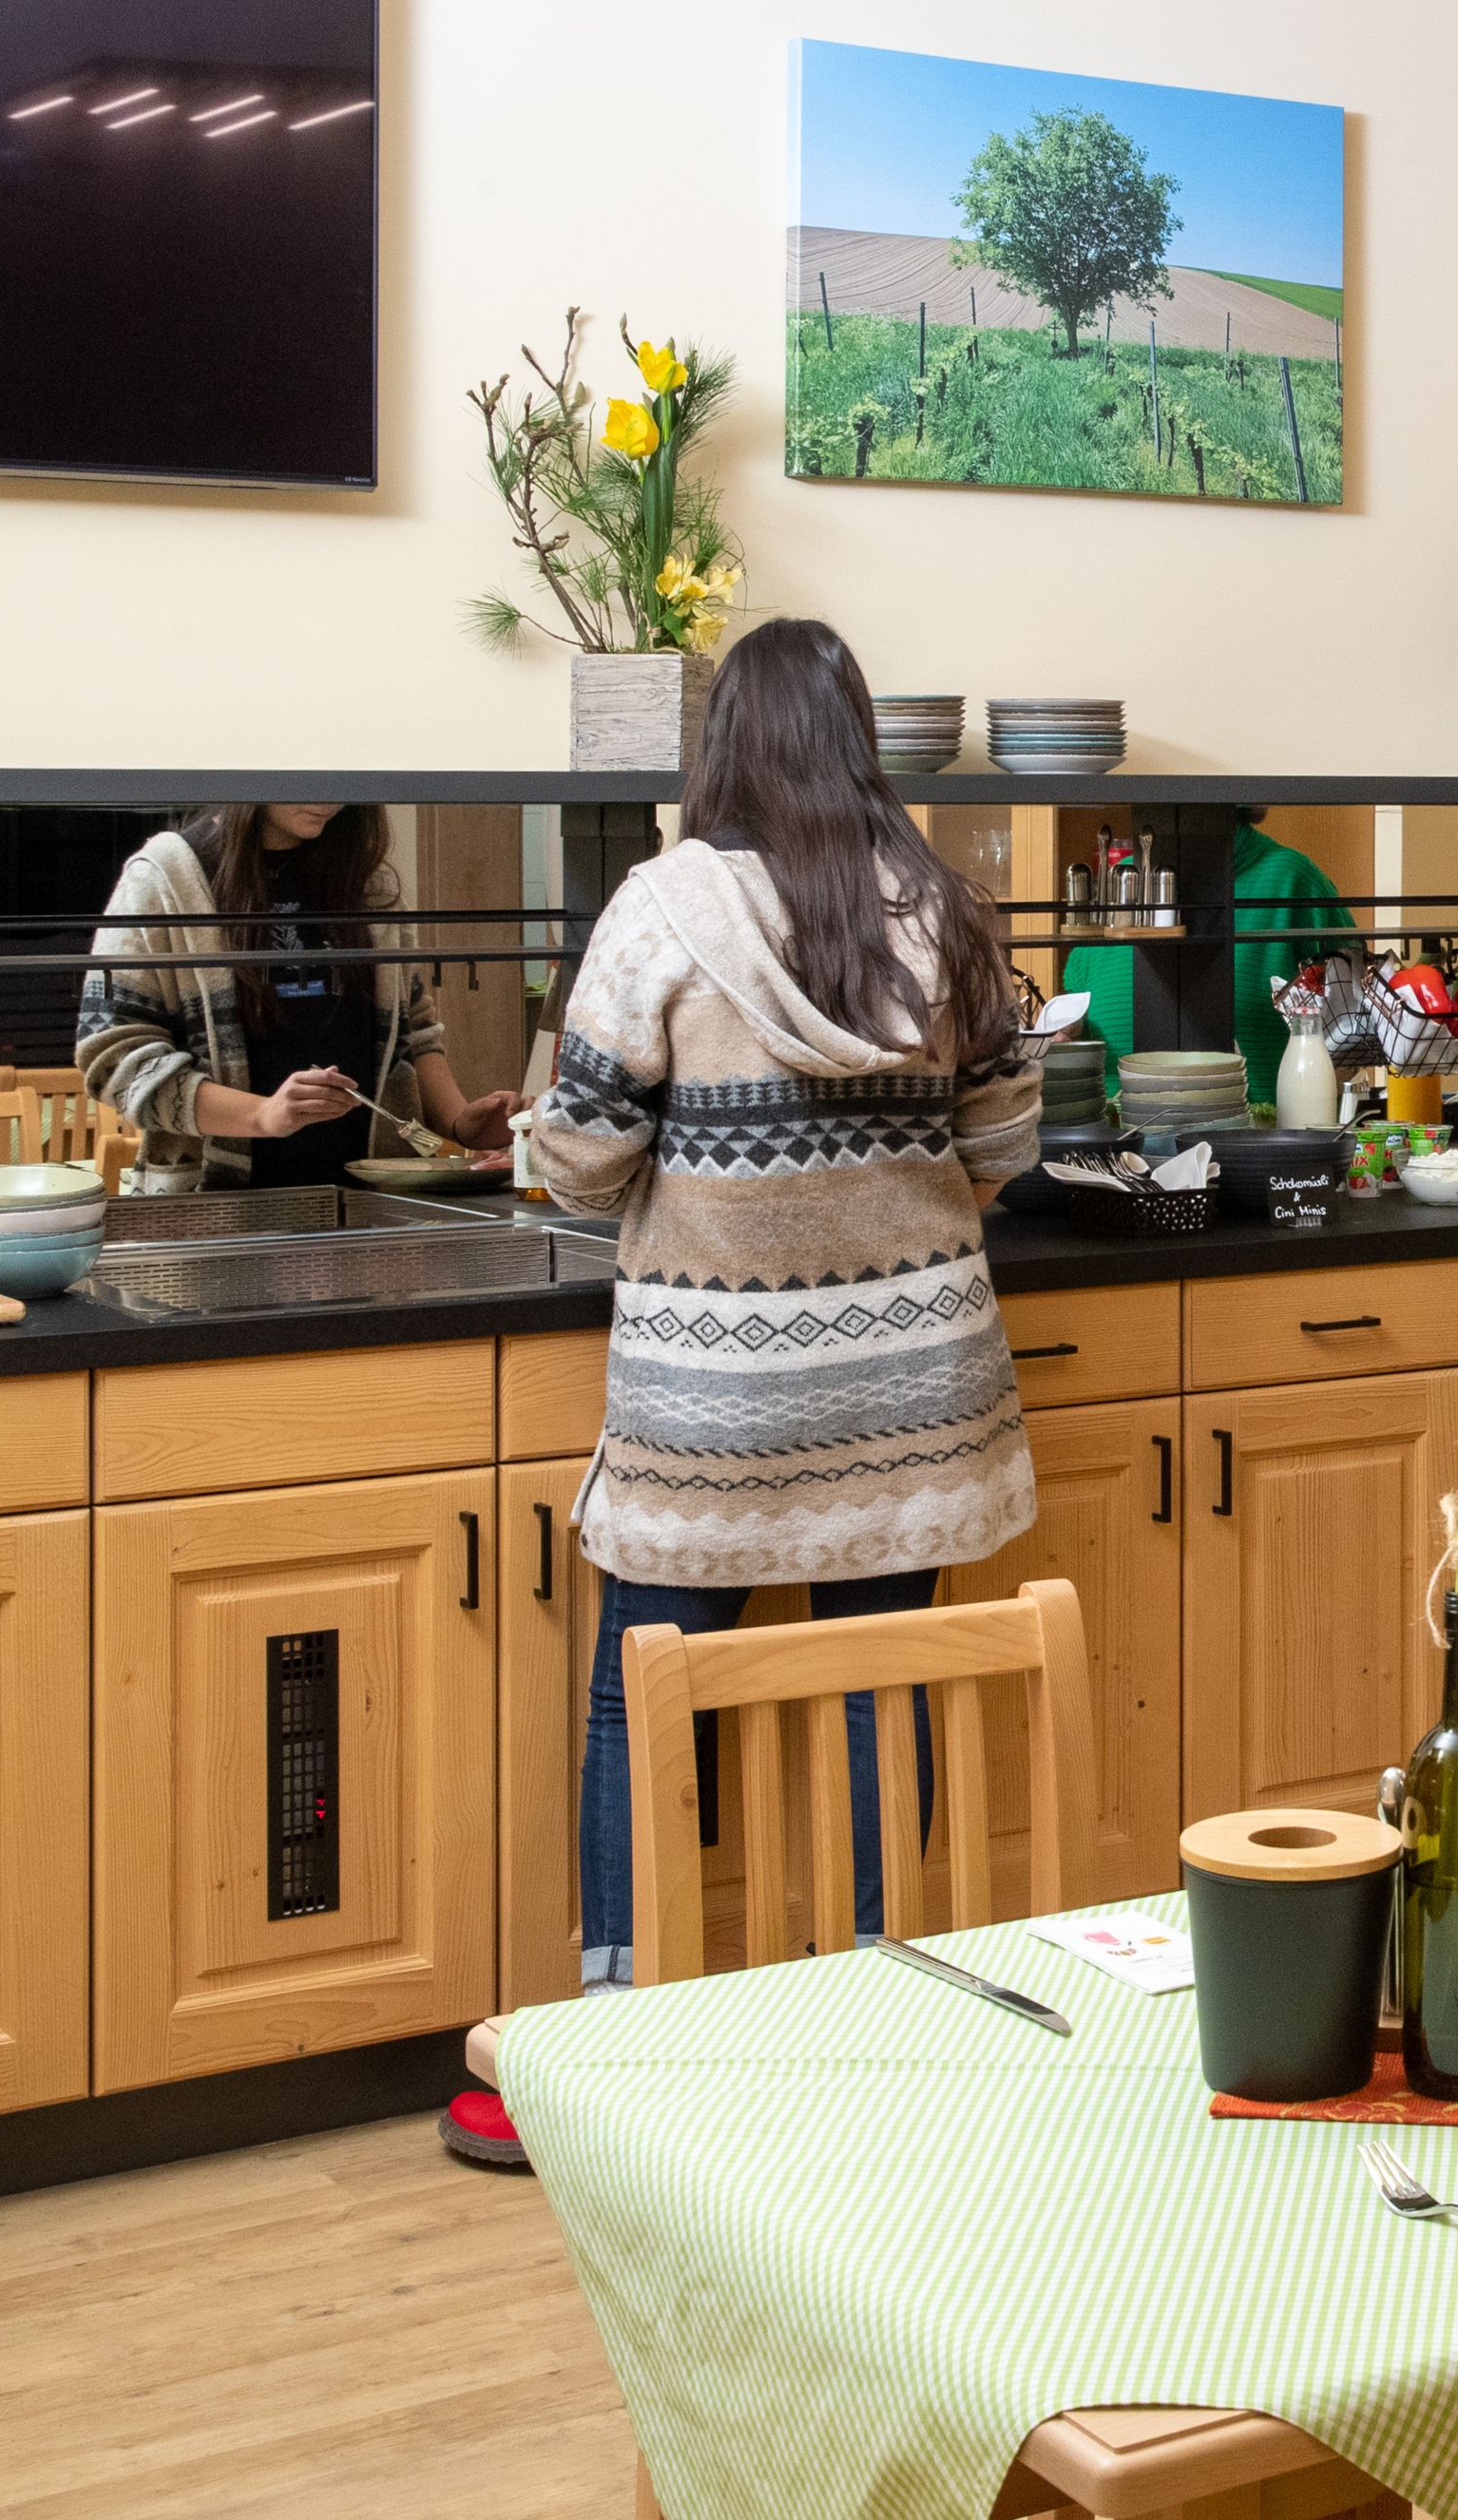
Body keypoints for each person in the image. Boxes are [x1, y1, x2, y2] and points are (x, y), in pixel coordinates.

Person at [532, 617, 1041, 1991]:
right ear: (857, 739)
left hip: (715, 1400)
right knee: (879, 1677)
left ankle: (627, 2009)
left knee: (643, 1694)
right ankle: (879, 1979)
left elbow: (579, 1161)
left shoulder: (661, 905)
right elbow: (1002, 1147)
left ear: (726, 749)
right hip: (915, 1382)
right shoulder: (945, 908)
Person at [76, 802, 521, 1187]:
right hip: (215, 1205)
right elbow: (114, 1062)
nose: (329, 799)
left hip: (376, 1202)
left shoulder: (368, 883)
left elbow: (415, 1031)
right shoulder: (164, 878)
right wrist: (264, 1115)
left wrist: (463, 1123)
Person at [1060, 809, 1352, 1092]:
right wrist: (1069, 1037)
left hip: (1257, 1135)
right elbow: (1080, 1020)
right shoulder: (1121, 881)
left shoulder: (1293, 880)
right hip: (1118, 1136)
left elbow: (1351, 1034)